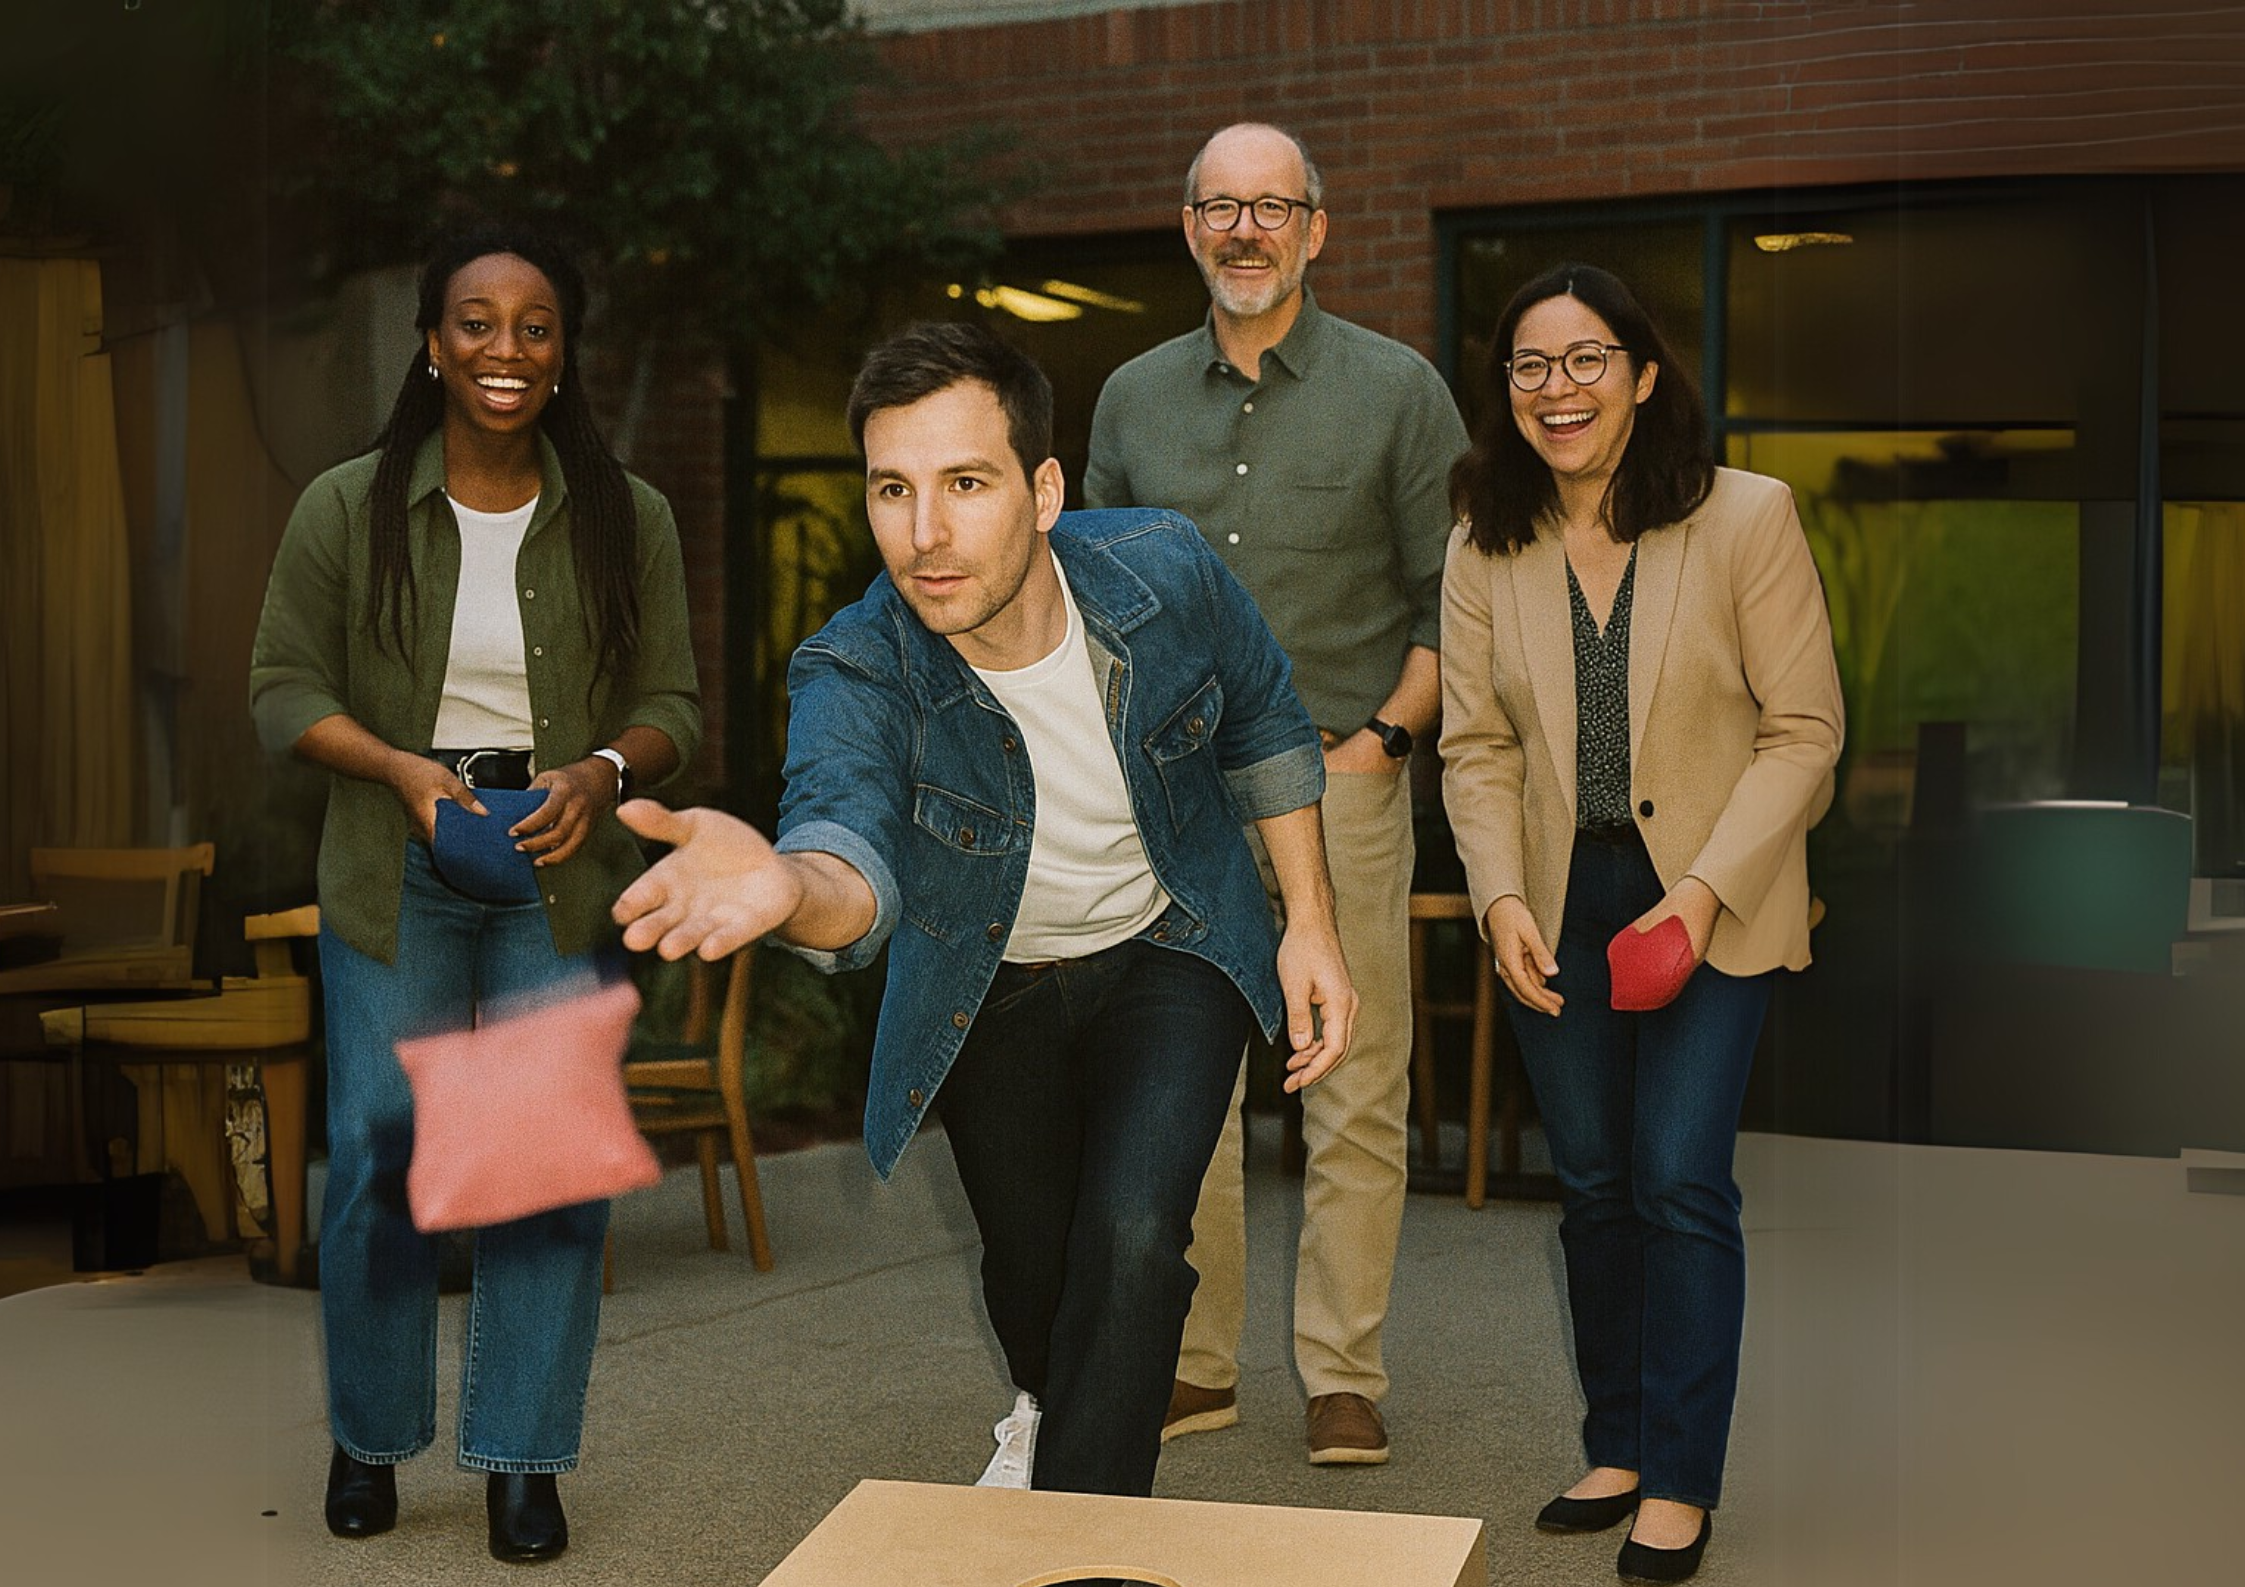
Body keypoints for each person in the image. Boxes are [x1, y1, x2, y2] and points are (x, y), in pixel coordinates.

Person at [612, 321, 1355, 1499]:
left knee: (1131, 1241)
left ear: (1044, 488)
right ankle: (1049, 1400)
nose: (925, 535)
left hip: (1172, 945)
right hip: (989, 980)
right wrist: (787, 888)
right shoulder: (856, 668)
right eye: (892, 491)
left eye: (965, 483)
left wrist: (1309, 921)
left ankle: (1074, 1529)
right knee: (1031, 1267)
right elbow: (844, 849)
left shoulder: (1162, 571)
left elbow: (1263, 717)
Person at [250, 225, 700, 1564]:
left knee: (545, 1163)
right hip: (399, 855)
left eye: (535, 325)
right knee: (384, 1143)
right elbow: (281, 687)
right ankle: (371, 1434)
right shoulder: (346, 504)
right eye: (476, 322)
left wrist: (604, 769)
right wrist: (395, 766)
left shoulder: (632, 515)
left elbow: (671, 702)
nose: (505, 349)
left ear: (564, 354)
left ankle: (522, 1458)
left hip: (559, 861)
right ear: (432, 343)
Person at [1439, 262, 1842, 1584]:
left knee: (1675, 1174)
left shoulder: (1745, 518)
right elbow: (1475, 746)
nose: (1559, 387)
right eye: (1530, 365)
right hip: (1562, 892)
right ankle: (1612, 1439)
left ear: (1643, 372)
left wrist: (1705, 889)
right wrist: (1498, 892)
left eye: (1587, 357)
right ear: (1505, 392)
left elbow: (1805, 732)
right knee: (1596, 1180)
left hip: (1709, 891)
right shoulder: (1482, 534)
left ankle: (1679, 1471)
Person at [1083, 122, 1467, 1465]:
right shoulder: (1129, 399)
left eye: (1272, 207)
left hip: (1340, 782)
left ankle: (1341, 1369)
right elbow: (1094, 602)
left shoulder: (1400, 390)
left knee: (1351, 1083)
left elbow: (1450, 600)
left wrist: (1383, 742)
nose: (1245, 231)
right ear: (1188, 226)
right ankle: (1193, 1359)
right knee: (1181, 1079)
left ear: (1318, 227)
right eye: (1219, 207)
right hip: (1175, 799)